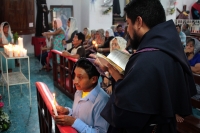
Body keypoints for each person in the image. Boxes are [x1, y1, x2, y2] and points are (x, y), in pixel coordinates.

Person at [97, 0, 197, 132]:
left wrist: (112, 71)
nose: (127, 30)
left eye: (128, 23)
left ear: (139, 22)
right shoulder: (171, 48)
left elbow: (124, 113)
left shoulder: (147, 59)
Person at [54, 57, 109, 133]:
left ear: (93, 79)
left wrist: (74, 122)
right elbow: (78, 114)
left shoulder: (102, 101)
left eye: (80, 77)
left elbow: (100, 131)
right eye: (74, 76)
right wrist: (68, 112)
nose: (75, 81)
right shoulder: (79, 91)